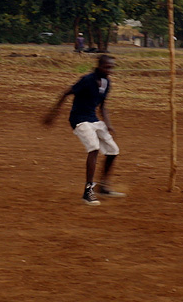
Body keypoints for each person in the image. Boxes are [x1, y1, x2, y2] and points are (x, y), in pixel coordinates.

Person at [43, 55, 125, 205]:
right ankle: (88, 192)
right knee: (94, 148)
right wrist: (52, 114)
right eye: (107, 67)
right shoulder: (87, 80)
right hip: (79, 120)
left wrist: (108, 123)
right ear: (99, 66)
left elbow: (103, 106)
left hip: (93, 119)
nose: (110, 70)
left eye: (112, 67)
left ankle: (103, 187)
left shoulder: (107, 83)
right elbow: (65, 93)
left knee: (113, 150)